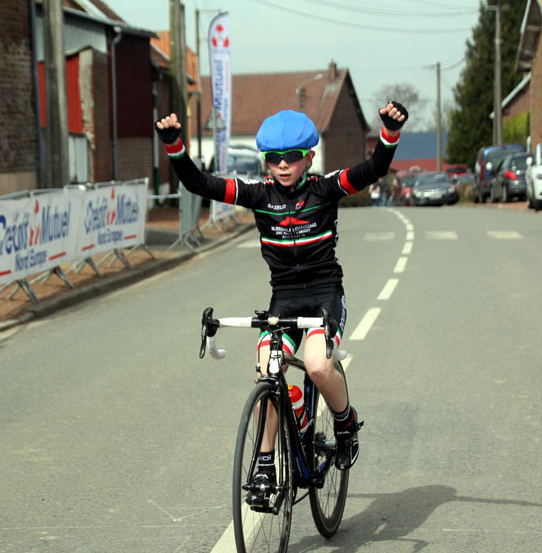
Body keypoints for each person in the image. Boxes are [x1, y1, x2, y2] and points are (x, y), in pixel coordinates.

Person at [155, 101, 407, 503]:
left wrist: (389, 133)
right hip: (284, 301)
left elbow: (373, 169)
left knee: (318, 366)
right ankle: (267, 462)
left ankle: (345, 424)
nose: (283, 165)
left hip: (325, 295)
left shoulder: (325, 189)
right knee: (266, 372)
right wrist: (174, 146)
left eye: (292, 157)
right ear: (266, 162)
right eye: (274, 158)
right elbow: (199, 184)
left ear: (308, 157)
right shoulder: (257, 196)